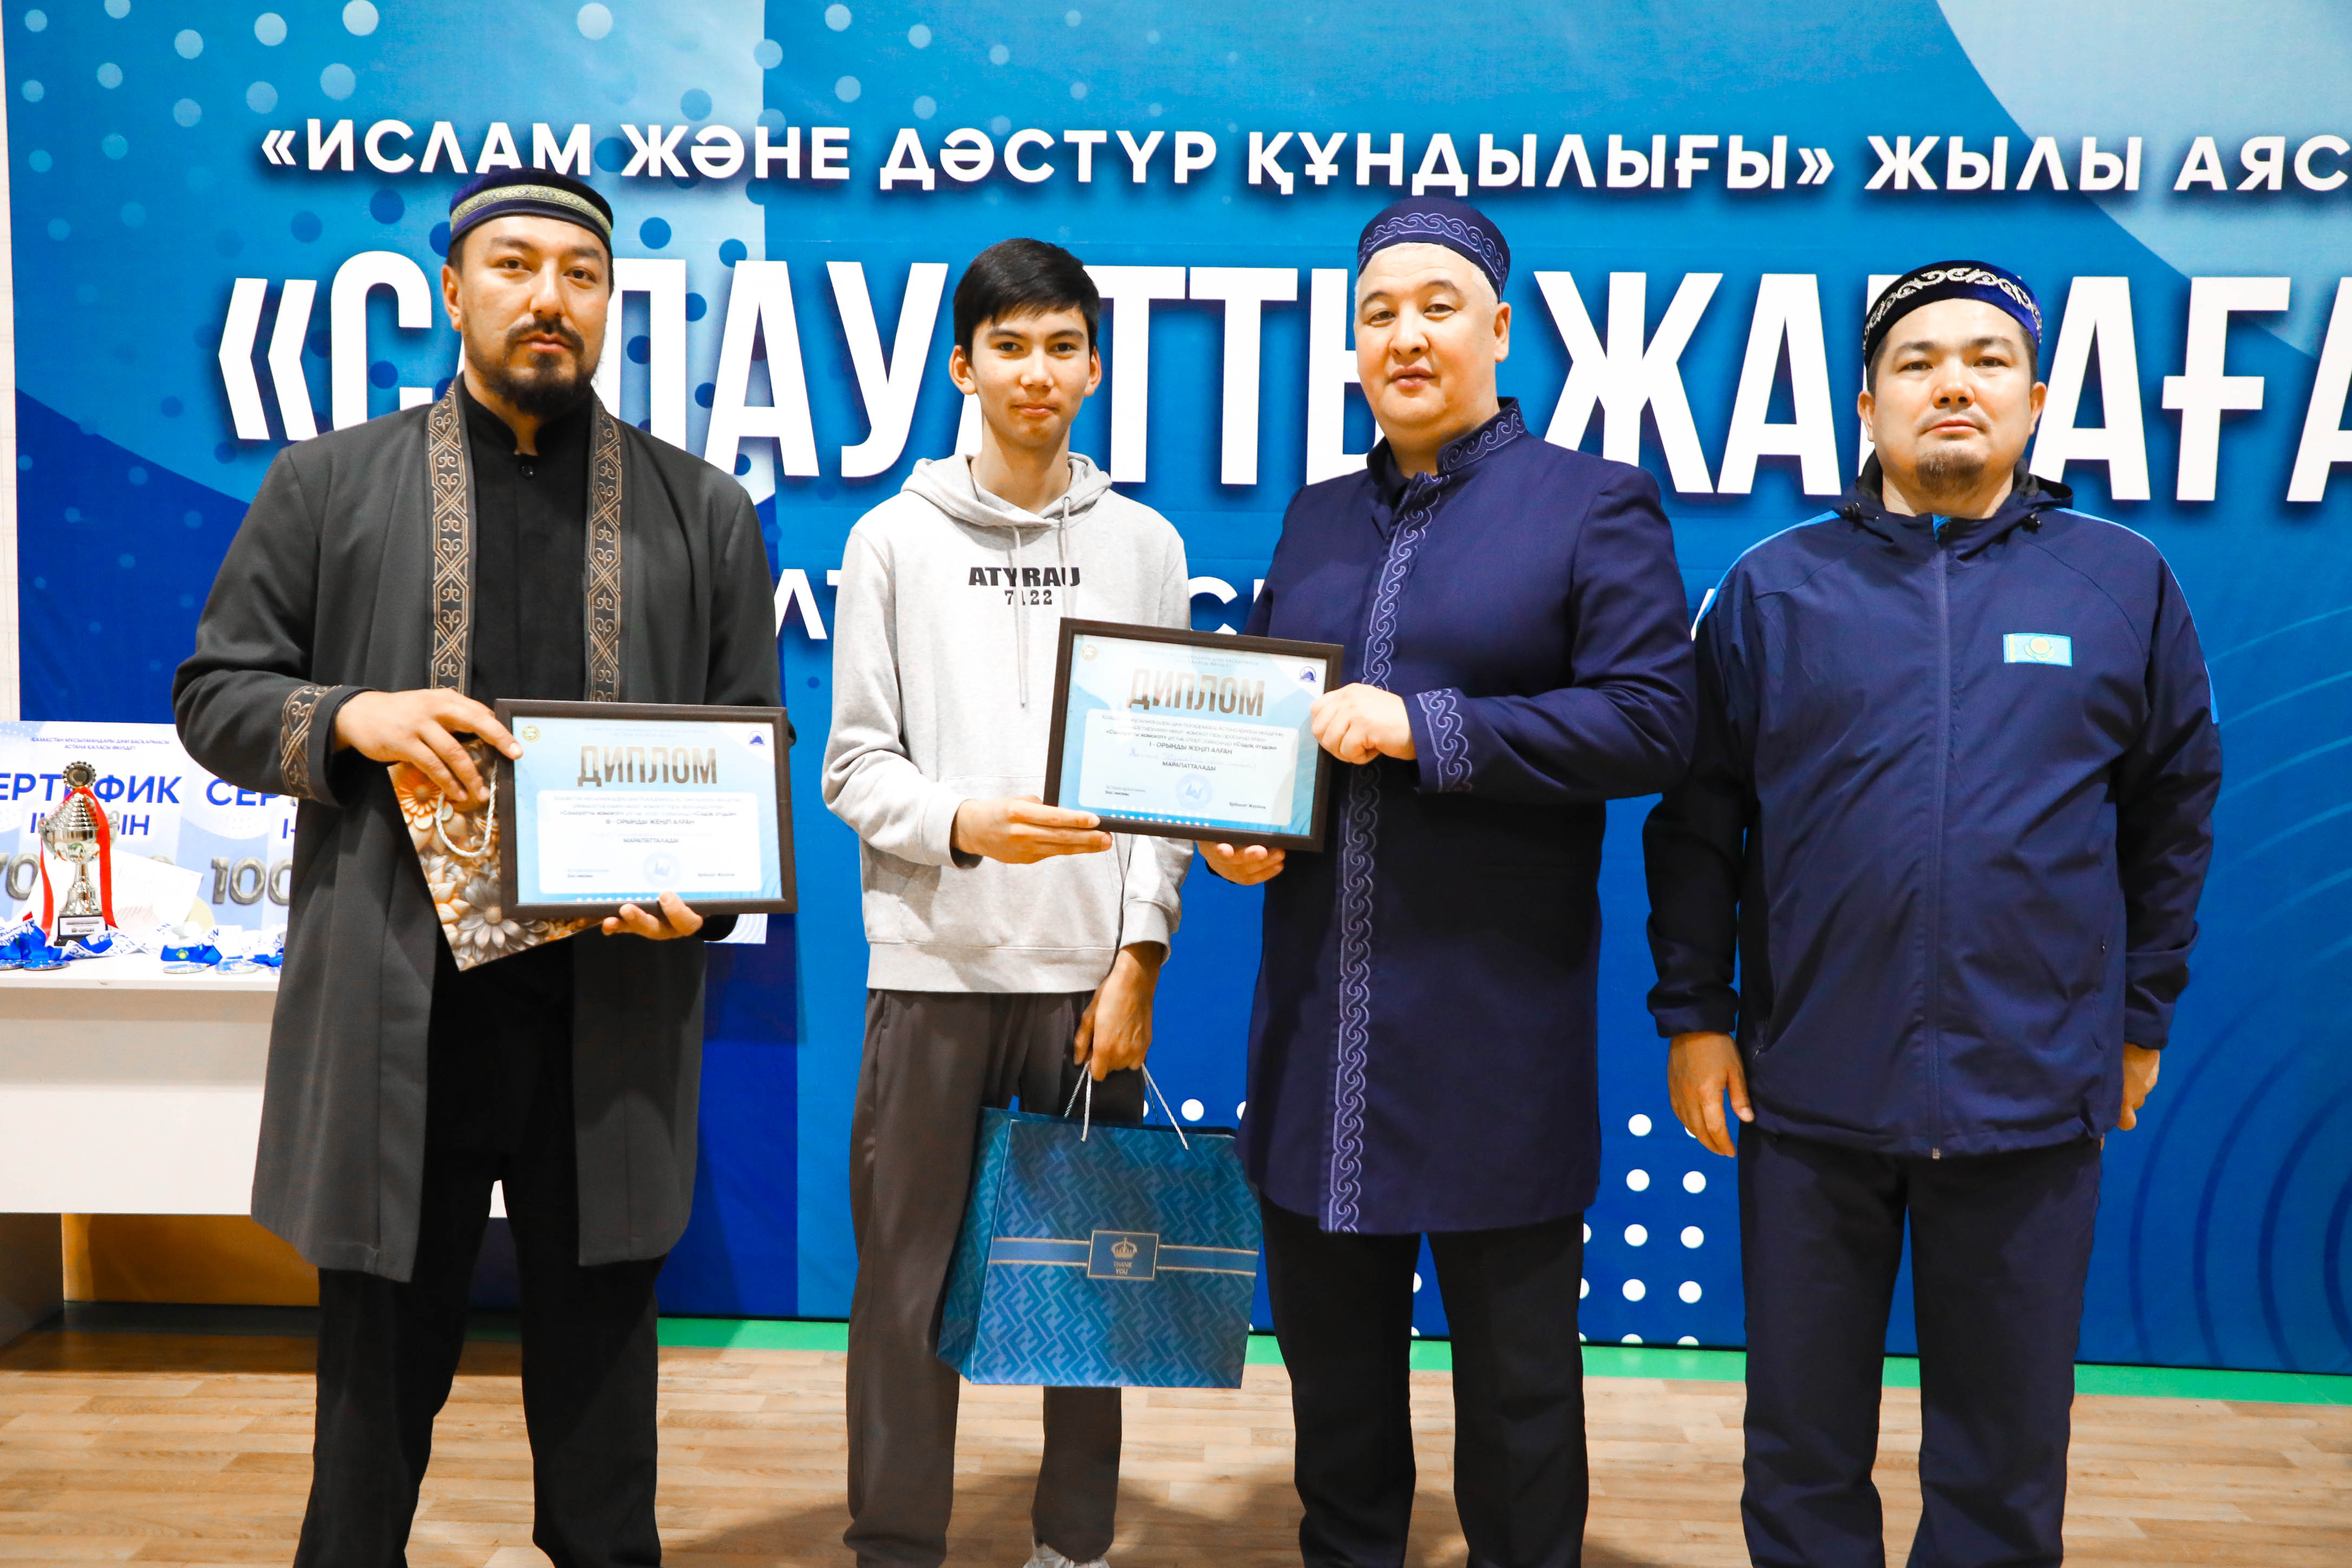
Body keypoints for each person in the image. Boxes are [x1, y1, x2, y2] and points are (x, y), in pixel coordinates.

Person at [174, 169, 781, 1566]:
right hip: (399, 1010)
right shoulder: (329, 484)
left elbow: (749, 742)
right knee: (371, 1407)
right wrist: (353, 718)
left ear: (609, 302)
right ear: (452, 290)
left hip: (608, 1015)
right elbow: (214, 695)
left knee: (603, 1418)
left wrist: (705, 895)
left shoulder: (703, 510)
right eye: (513, 265)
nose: (547, 297)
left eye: (580, 273)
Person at [1643, 260, 2222, 1568]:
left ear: (2034, 399)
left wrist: (2138, 1017)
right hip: (1807, 1094)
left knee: (2004, 1461)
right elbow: (1696, 819)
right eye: (1916, 363)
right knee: (1800, 1452)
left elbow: (2173, 811)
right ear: (1867, 405)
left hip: (2033, 1093)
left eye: (1985, 360)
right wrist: (1695, 1015)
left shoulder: (2120, 584)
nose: (1951, 383)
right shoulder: (1774, 589)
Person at [1201, 197, 1695, 1568]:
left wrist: (1428, 726)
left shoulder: (1590, 502)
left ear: (1499, 328)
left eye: (1436, 307)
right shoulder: (1314, 518)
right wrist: (1240, 828)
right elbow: (1279, 732)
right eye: (1377, 314)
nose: (1405, 336)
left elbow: (1654, 721)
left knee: (1521, 1400)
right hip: (1319, 1035)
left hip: (1492, 1038)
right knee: (1335, 1397)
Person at [822, 238, 1194, 1568]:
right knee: (902, 1292)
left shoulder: (1146, 546)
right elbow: (854, 766)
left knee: (1085, 1281)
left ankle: (1074, 1544)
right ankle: (895, 1546)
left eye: (1062, 346)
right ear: (962, 366)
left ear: (1093, 367)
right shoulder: (891, 539)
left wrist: (1138, 954)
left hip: (1086, 984)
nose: (1037, 370)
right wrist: (959, 824)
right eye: (1010, 345)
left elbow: (1166, 779)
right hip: (932, 970)